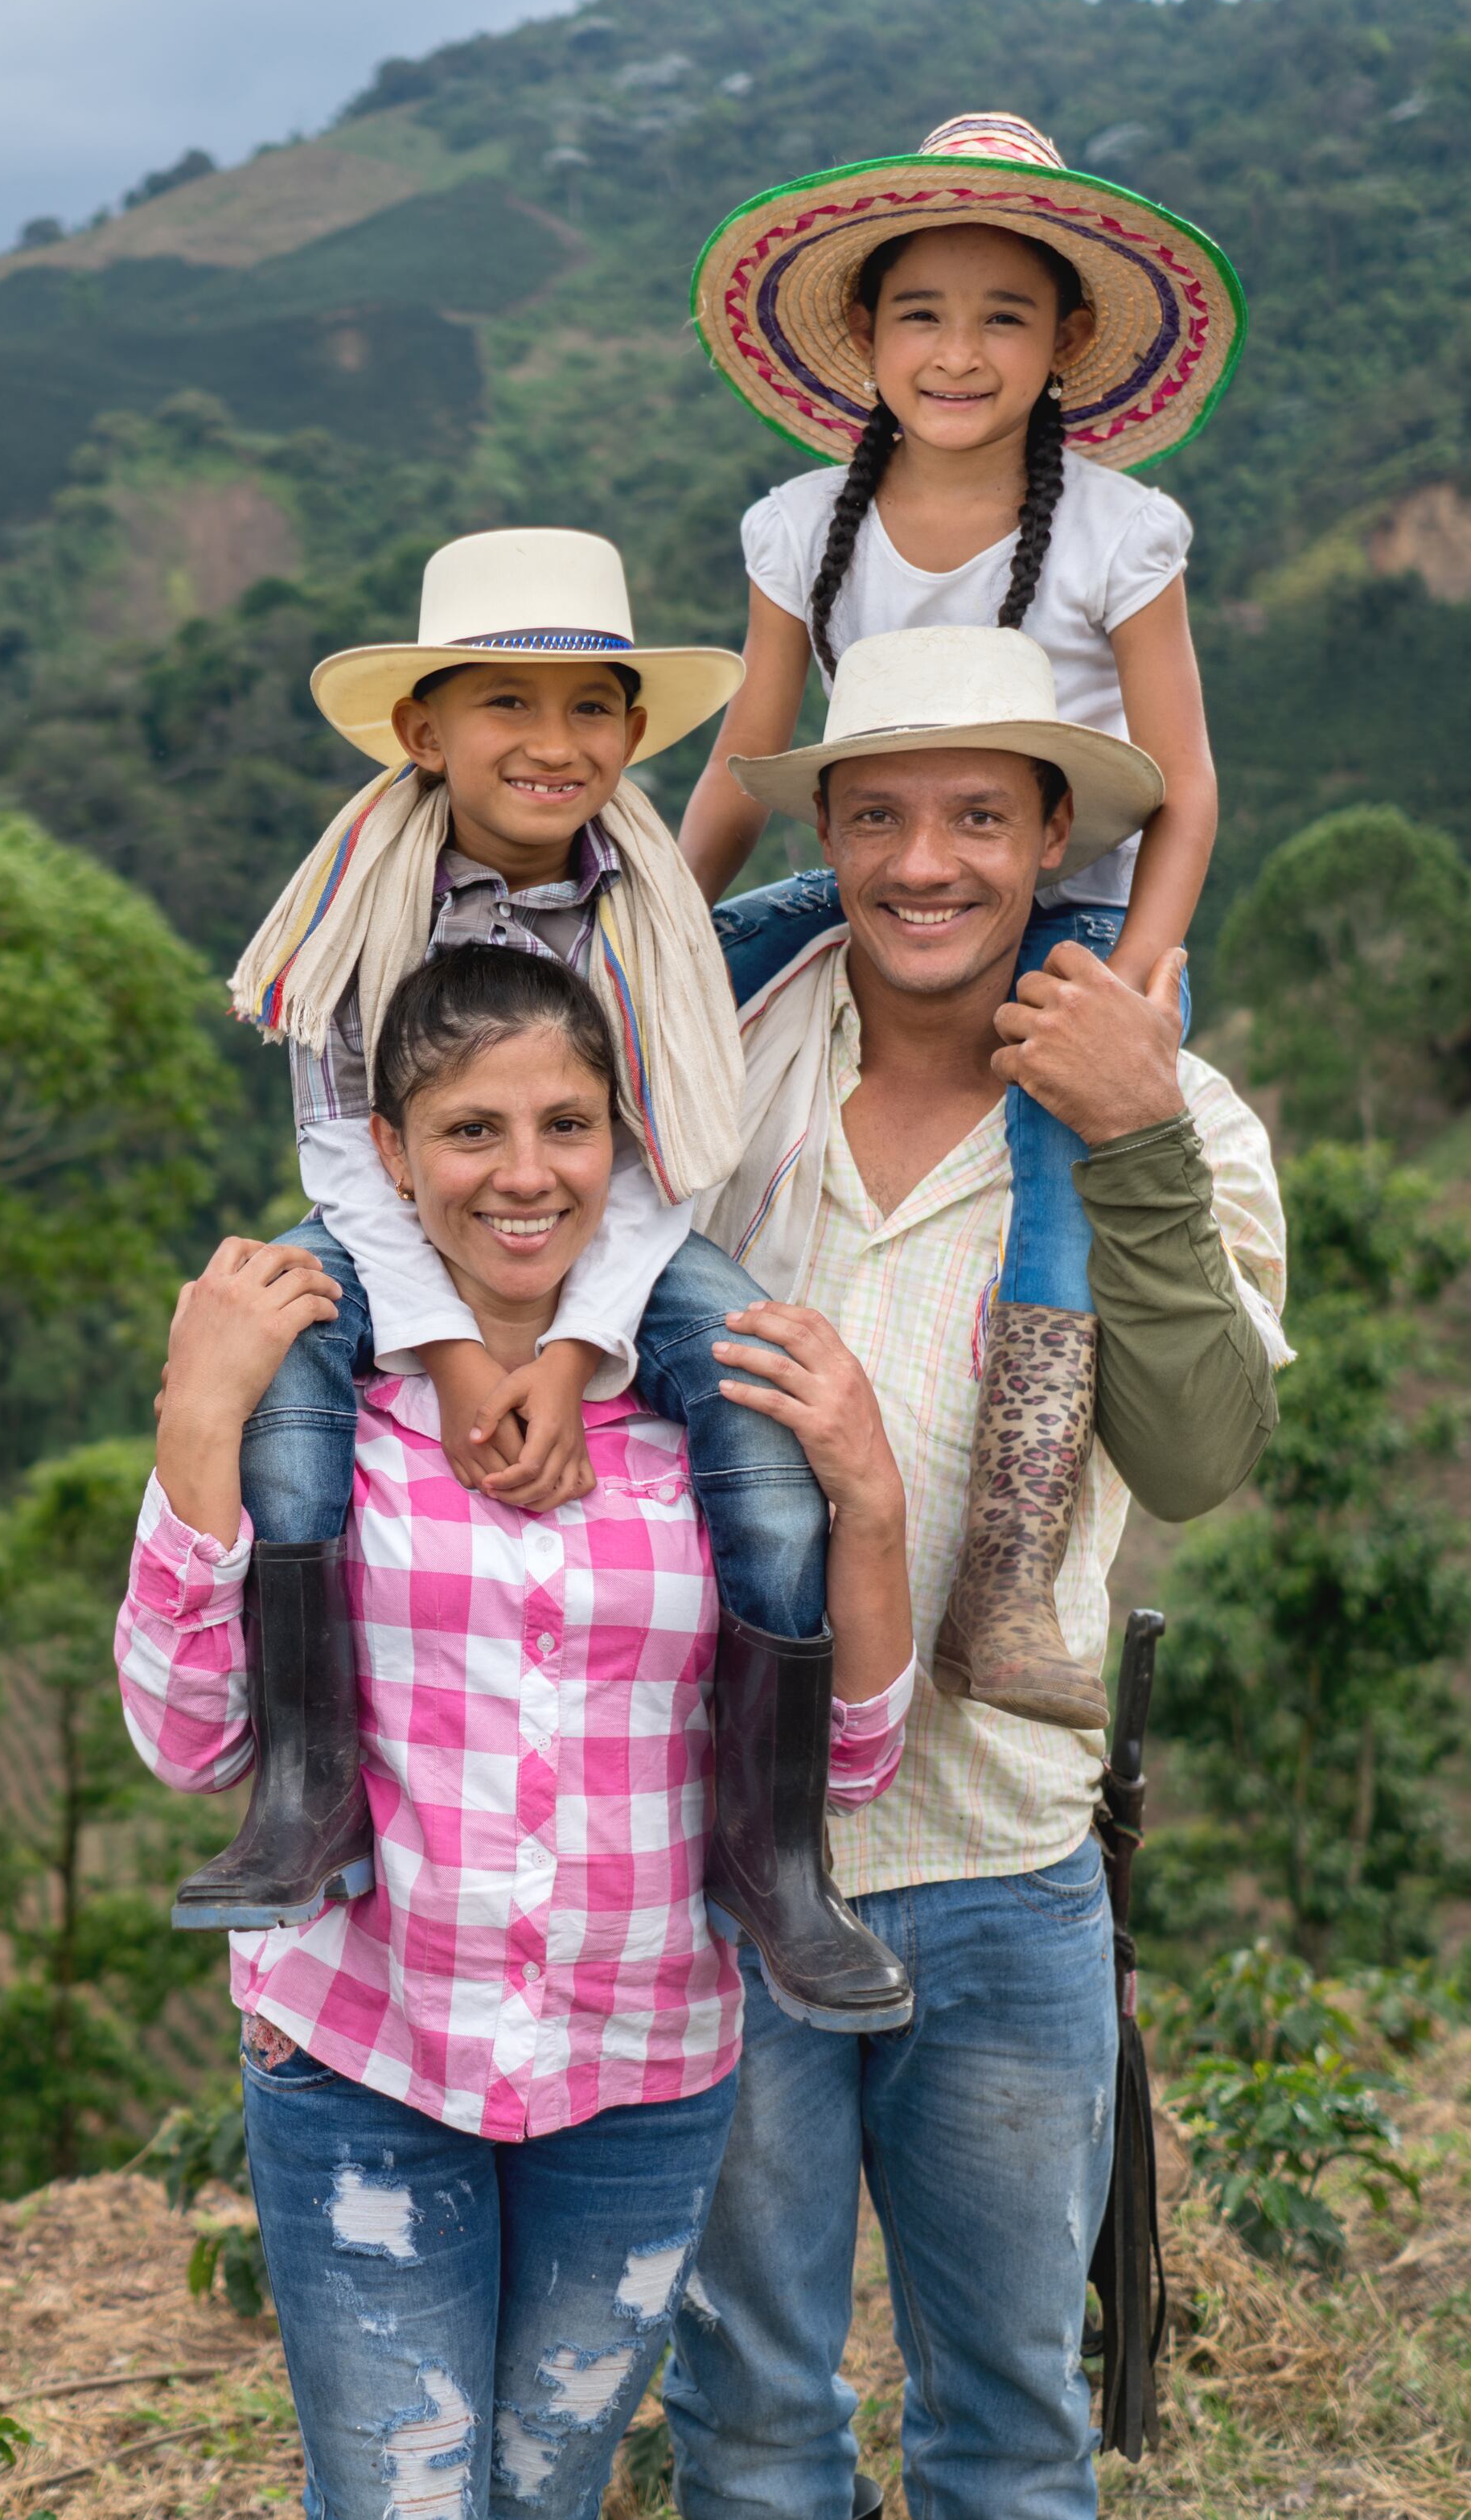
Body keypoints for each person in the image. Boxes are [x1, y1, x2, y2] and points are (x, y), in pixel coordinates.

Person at [117, 945, 918, 2520]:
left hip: (641, 2072)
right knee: (405, 2501)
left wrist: (870, 1502)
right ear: (392, 1157)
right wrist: (196, 1418)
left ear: (621, 1143)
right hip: (364, 2048)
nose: (523, 1172)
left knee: (545, 2497)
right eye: (470, 1130)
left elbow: (845, 1767)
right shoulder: (318, 1401)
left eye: (566, 1123)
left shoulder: (710, 1410)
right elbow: (192, 1742)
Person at [658, 626, 1290, 2520]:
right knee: (754, 2416)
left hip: (1002, 1874)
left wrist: (1137, 1140)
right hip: (727, 1860)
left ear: (1045, 841)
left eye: (972, 818)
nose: (922, 863)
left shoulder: (1177, 1118)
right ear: (826, 836)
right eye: (877, 816)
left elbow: (1197, 1456)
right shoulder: (718, 1064)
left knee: (1007, 2422)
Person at [185, 528, 908, 2032]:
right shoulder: (360, 900)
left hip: (614, 1228)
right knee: (292, 1395)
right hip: (402, 1216)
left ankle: (775, 1852)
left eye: (590, 709)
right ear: (424, 730)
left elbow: (662, 1161)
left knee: (764, 1424)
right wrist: (451, 1353)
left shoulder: (647, 909)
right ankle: (308, 1785)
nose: (552, 743)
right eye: (505, 706)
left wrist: (575, 1356)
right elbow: (340, 1149)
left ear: (635, 734)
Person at [675, 109, 1247, 1728]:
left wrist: (1127, 995)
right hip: (876, 867)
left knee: (1064, 1151)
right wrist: (642, 930)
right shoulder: (800, 526)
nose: (958, 351)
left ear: (1069, 340)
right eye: (921, 312)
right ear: (863, 334)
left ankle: (1007, 1562)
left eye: (1006, 315)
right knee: (642, 1000)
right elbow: (744, 760)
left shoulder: (1121, 533)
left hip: (1070, 902)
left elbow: (1186, 790)